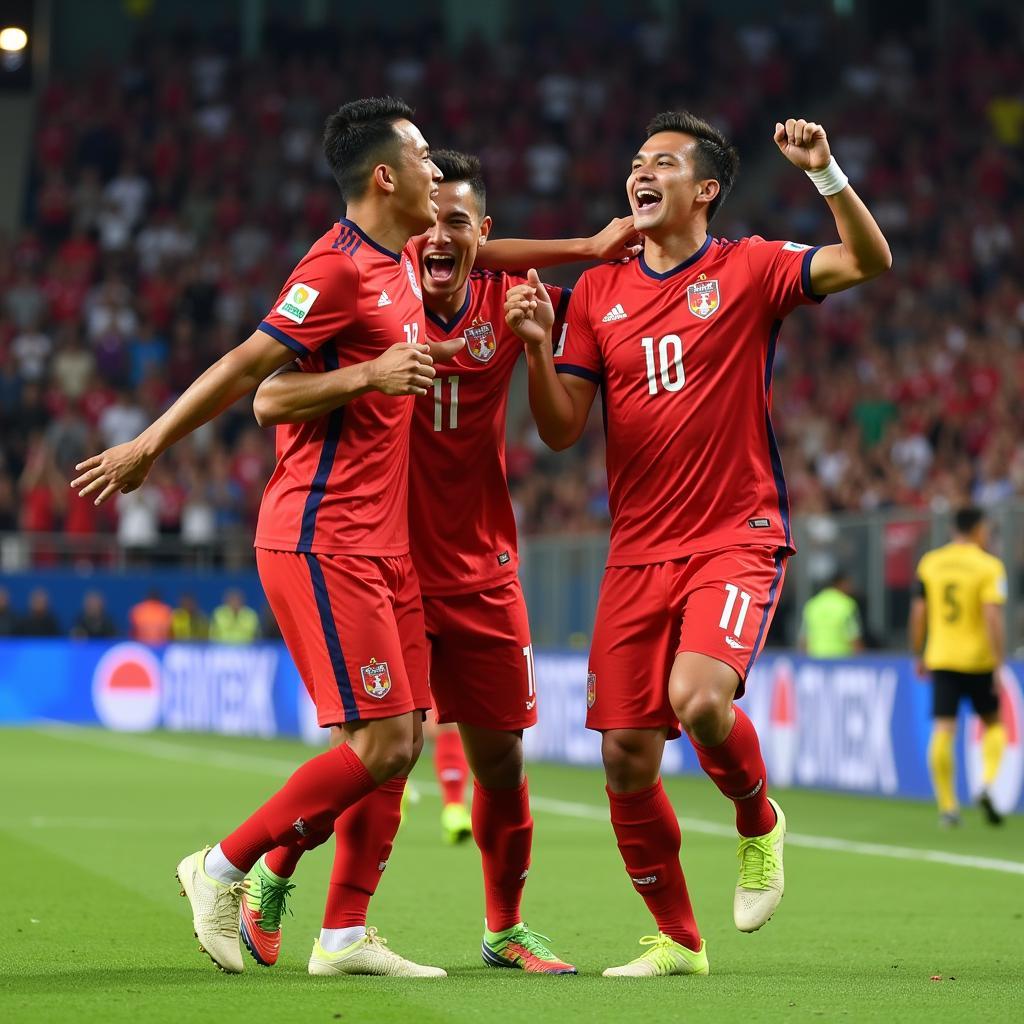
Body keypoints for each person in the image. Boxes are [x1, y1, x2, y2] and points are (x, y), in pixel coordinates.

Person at [71, 96, 460, 978]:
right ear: (386, 176)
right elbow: (252, 374)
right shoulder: (335, 269)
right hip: (323, 538)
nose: (440, 171)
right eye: (426, 156)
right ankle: (221, 866)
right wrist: (148, 446)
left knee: (401, 741)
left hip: (383, 542)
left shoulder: (401, 263)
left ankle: (343, 936)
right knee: (378, 745)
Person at [505, 112, 891, 977]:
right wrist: (536, 348)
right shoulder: (599, 291)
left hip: (734, 534)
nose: (641, 174)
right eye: (636, 162)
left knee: (701, 700)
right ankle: (678, 940)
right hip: (637, 551)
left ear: (705, 189)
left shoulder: (749, 267)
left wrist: (826, 173)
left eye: (664, 164)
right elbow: (563, 430)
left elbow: (868, 261)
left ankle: (758, 819)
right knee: (624, 755)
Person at [250, 149, 638, 973]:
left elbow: (569, 401)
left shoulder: (517, 302)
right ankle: (310, 897)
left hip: (485, 565)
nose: (437, 236)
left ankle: (504, 929)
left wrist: (539, 340)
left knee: (501, 758)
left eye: (457, 224)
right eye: (427, 221)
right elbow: (274, 389)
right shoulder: (378, 298)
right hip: (385, 562)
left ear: (484, 237)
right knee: (390, 752)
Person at [910, 507, 1008, 827]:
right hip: (978, 659)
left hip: (942, 657)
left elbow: (919, 612)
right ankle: (987, 783)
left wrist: (918, 653)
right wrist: (998, 661)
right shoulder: (989, 566)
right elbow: (992, 616)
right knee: (994, 723)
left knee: (943, 729)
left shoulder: (931, 562)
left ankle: (948, 806)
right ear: (979, 529)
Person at [799, 570, 863, 658]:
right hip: (840, 661)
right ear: (840, 583)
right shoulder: (847, 605)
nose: (851, 587)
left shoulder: (812, 604)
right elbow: (854, 638)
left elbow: (804, 639)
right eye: (848, 583)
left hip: (816, 660)